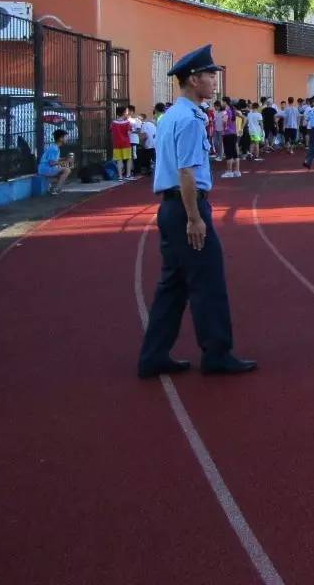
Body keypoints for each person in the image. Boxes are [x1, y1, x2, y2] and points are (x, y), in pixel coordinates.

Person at [137, 44, 257, 379]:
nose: (214, 81)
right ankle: (217, 353)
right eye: (209, 75)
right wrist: (195, 218)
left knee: (173, 286)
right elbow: (187, 172)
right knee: (208, 283)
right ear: (192, 79)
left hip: (172, 209)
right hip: (185, 207)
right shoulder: (189, 119)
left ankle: (154, 355)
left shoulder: (172, 115)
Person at [38, 128, 72, 195]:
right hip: (45, 168)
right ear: (60, 139)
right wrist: (64, 162)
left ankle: (51, 186)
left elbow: (54, 160)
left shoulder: (55, 147)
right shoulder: (54, 148)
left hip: (45, 168)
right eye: (66, 137)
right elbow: (51, 163)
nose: (67, 139)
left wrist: (65, 159)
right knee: (67, 170)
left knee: (64, 168)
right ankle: (56, 189)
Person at [111, 105, 134, 181]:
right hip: (126, 143)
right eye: (126, 111)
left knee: (119, 160)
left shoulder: (113, 122)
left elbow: (111, 130)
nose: (127, 113)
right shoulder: (127, 122)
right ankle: (128, 175)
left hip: (117, 144)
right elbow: (129, 133)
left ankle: (120, 176)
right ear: (124, 112)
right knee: (128, 158)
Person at [218, 98, 240, 179]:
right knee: (234, 153)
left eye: (222, 102)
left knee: (228, 153)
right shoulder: (233, 111)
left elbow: (224, 122)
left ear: (225, 102)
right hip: (234, 133)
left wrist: (224, 128)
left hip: (227, 134)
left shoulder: (225, 112)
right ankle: (237, 171)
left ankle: (229, 171)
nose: (221, 103)